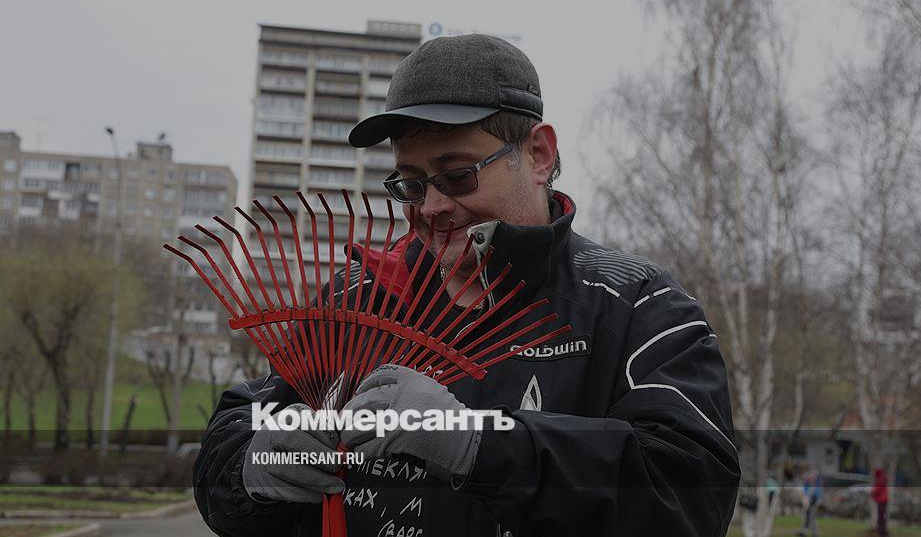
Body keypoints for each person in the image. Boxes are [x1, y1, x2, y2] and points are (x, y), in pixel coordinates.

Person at [193, 33, 740, 537]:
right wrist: (252, 467)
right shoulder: (354, 299)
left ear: (538, 154)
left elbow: (692, 493)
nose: (431, 206)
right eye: (411, 184)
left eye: (457, 175)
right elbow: (235, 434)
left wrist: (482, 446)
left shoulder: (636, 306)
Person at [800, 467, 823, 537]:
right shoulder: (807, 484)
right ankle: (804, 531)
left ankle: (814, 533)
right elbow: (805, 492)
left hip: (813, 502)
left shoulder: (817, 485)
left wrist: (812, 501)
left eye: (813, 476)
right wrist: (805, 498)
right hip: (808, 501)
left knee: (811, 517)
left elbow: (817, 495)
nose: (811, 477)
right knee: (807, 516)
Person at [871, 467, 889, 536]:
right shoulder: (881, 478)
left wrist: (872, 492)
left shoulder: (880, 479)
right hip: (882, 500)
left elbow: (878, 488)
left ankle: (882, 532)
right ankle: (881, 530)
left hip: (882, 500)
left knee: (881, 517)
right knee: (881, 516)